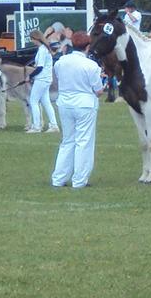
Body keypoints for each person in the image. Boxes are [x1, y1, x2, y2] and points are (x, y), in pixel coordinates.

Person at [51, 32, 104, 188]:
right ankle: (79, 180)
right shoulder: (91, 66)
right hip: (84, 104)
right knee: (84, 142)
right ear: (87, 47)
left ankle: (59, 178)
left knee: (67, 141)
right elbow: (98, 91)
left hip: (65, 103)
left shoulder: (60, 62)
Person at [26, 30, 59, 134]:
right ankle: (53, 125)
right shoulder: (45, 49)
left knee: (33, 101)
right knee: (46, 102)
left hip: (41, 79)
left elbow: (40, 67)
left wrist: (30, 76)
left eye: (32, 39)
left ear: (36, 39)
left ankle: (37, 126)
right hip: (46, 78)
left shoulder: (42, 50)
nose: (32, 41)